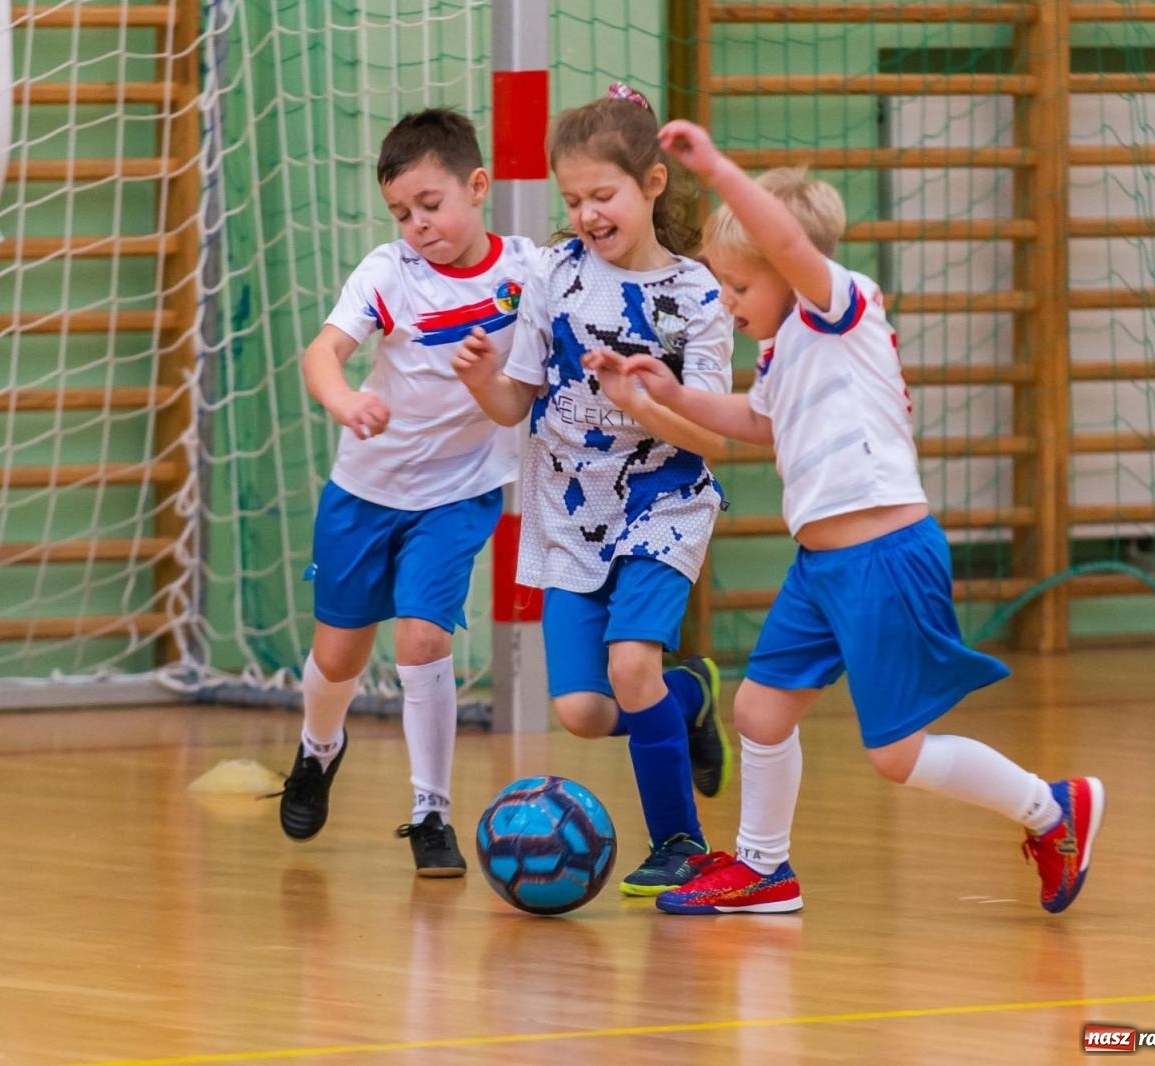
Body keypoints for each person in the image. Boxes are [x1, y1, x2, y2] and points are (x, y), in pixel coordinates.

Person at [589, 119, 1103, 915]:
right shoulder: (784, 346)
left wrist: (720, 168)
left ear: (794, 269)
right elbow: (761, 424)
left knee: (895, 755)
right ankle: (766, 869)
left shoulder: (840, 303)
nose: (729, 300)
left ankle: (1051, 810)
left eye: (739, 284)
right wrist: (659, 393)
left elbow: (787, 245)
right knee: (758, 710)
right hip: (822, 567)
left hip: (882, 556)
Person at [452, 84, 736, 896]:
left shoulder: (691, 299)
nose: (585, 213)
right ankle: (689, 700)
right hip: (572, 515)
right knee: (582, 710)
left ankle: (681, 843)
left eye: (602, 194)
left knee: (630, 667)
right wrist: (480, 381)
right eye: (571, 198)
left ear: (652, 184)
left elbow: (713, 437)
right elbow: (515, 403)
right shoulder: (552, 276)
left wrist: (644, 402)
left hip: (665, 501)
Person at [272, 108, 538, 878]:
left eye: (431, 205)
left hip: (459, 492)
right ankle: (319, 749)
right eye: (402, 213)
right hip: (366, 491)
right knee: (338, 655)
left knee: (422, 639)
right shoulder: (390, 273)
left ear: (477, 186)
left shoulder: (527, 271)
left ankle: (431, 812)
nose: (418, 225)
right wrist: (345, 400)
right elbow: (323, 352)